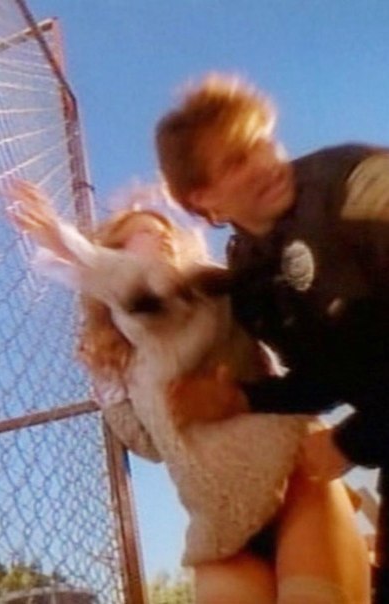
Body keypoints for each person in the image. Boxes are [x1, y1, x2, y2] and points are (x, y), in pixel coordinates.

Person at [5, 180, 370, 604]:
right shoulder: (131, 362)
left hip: (295, 477)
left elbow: (153, 291)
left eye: (166, 230)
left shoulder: (204, 290)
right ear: (115, 251)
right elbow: (153, 446)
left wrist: (73, 248)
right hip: (222, 525)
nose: (162, 234)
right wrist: (112, 392)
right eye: (145, 231)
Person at [155, 72, 389, 603]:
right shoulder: (251, 277)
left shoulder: (351, 182)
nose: (266, 162)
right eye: (238, 160)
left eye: (264, 142)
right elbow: (329, 376)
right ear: (206, 200)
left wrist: (355, 440)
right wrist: (243, 399)